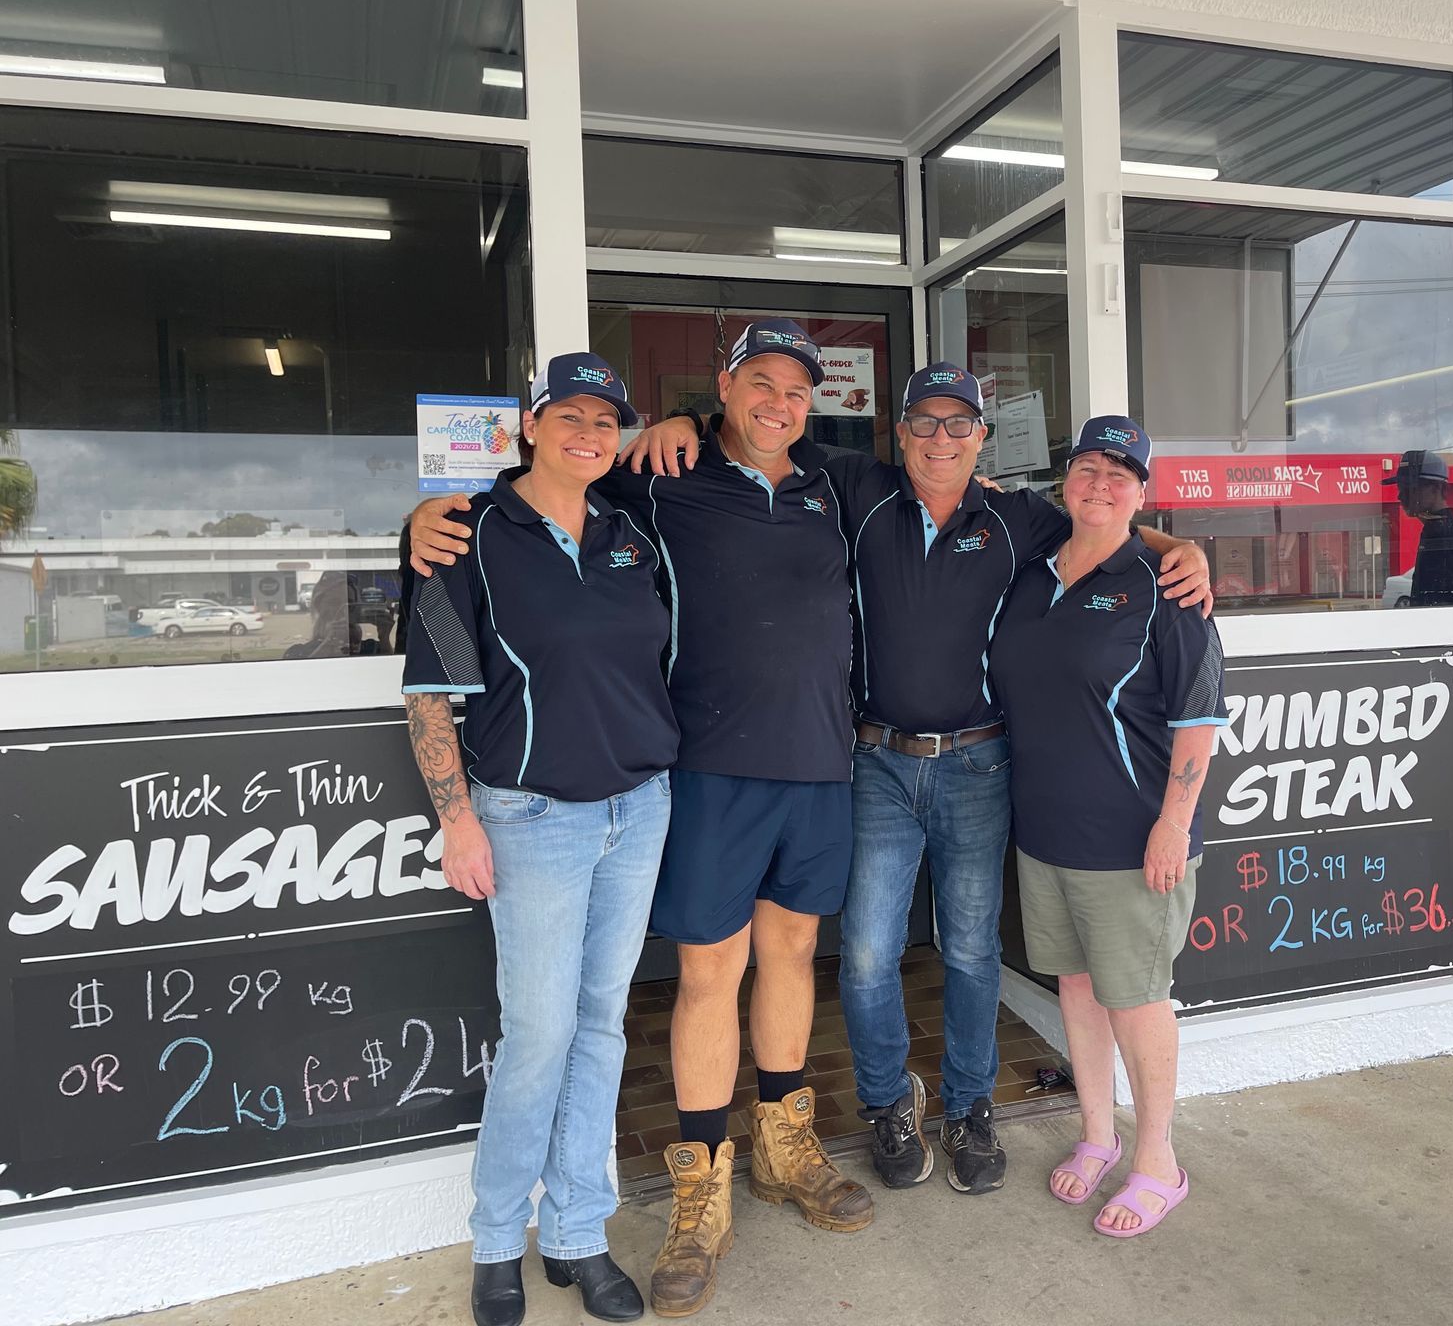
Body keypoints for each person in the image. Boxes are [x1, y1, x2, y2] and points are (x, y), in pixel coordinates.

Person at [630, 363, 1211, 1198]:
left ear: (981, 438)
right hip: (872, 759)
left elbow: (1105, 520)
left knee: (972, 949)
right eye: (925, 423)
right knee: (867, 953)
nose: (941, 439)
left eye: (959, 425)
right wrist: (683, 414)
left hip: (978, 763)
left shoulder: (1018, 517)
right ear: (897, 432)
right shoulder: (853, 485)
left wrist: (1177, 545)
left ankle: (970, 1107)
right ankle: (886, 1105)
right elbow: (759, 431)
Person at [410, 320, 871, 1320]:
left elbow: (972, 492)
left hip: (810, 768)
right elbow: (528, 502)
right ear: (725, 386)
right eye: (760, 383)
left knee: (779, 961)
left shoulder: (838, 482)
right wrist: (419, 518)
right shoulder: (652, 480)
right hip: (697, 776)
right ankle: (694, 1186)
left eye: (796, 389)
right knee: (679, 983)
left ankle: (779, 1149)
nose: (778, 403)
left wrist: (1149, 531)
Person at [401, 353, 675, 1326]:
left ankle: (577, 1233)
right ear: (530, 424)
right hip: (529, 819)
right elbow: (431, 690)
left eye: (607, 419)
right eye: (570, 414)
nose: (589, 433)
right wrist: (457, 818)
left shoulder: (630, 534)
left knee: (602, 1025)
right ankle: (493, 1242)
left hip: (638, 809)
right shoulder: (466, 534)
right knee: (540, 1035)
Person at [987, 415, 1226, 1240]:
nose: (1099, 483)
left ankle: (1158, 1159)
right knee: (1080, 991)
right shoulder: (1032, 569)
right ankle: (1098, 1132)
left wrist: (1174, 824)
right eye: (1087, 467)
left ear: (1142, 492)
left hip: (1131, 839)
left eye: (1119, 473)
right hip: (1045, 831)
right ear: (1066, 481)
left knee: (1137, 998)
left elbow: (1200, 720)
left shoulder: (1167, 584)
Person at [1389, 448, 1453, 606]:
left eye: (1410, 488)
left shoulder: (1451, 536)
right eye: (1400, 488)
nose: (1400, 496)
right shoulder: (1434, 531)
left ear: (1438, 488)